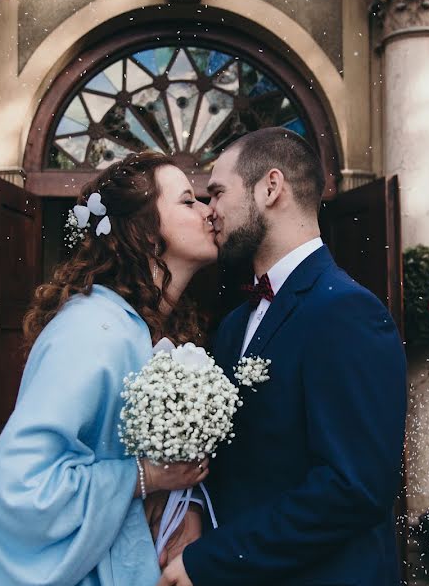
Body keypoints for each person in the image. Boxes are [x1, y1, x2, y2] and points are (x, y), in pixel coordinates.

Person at [0, 152, 220, 586]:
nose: (210, 211)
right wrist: (146, 477)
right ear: (147, 234)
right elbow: (19, 488)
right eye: (188, 201)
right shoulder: (92, 331)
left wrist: (184, 502)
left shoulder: (149, 326)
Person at [158, 127, 408, 586]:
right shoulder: (236, 323)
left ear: (271, 188)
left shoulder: (346, 312)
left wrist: (211, 560)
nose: (209, 212)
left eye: (217, 193)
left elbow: (352, 489)